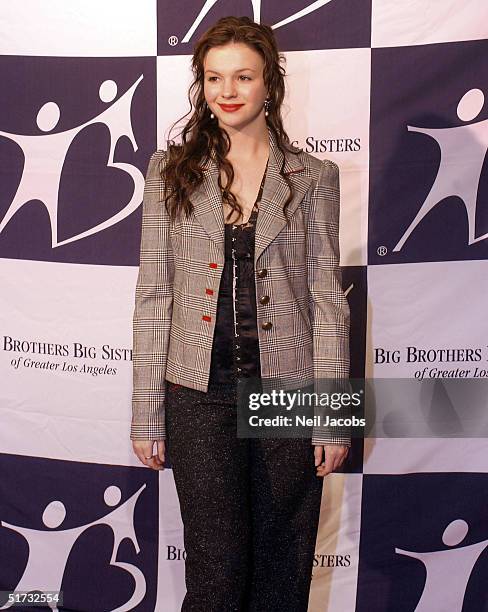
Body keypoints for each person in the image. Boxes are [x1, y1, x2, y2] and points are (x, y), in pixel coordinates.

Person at [130, 15, 351, 612]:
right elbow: (153, 294)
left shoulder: (313, 178)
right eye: (213, 77)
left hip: (291, 389)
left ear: (269, 85)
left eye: (243, 77)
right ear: (201, 86)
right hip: (197, 392)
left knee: (283, 574)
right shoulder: (168, 172)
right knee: (217, 579)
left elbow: (327, 299)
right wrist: (146, 416)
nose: (227, 91)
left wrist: (332, 414)